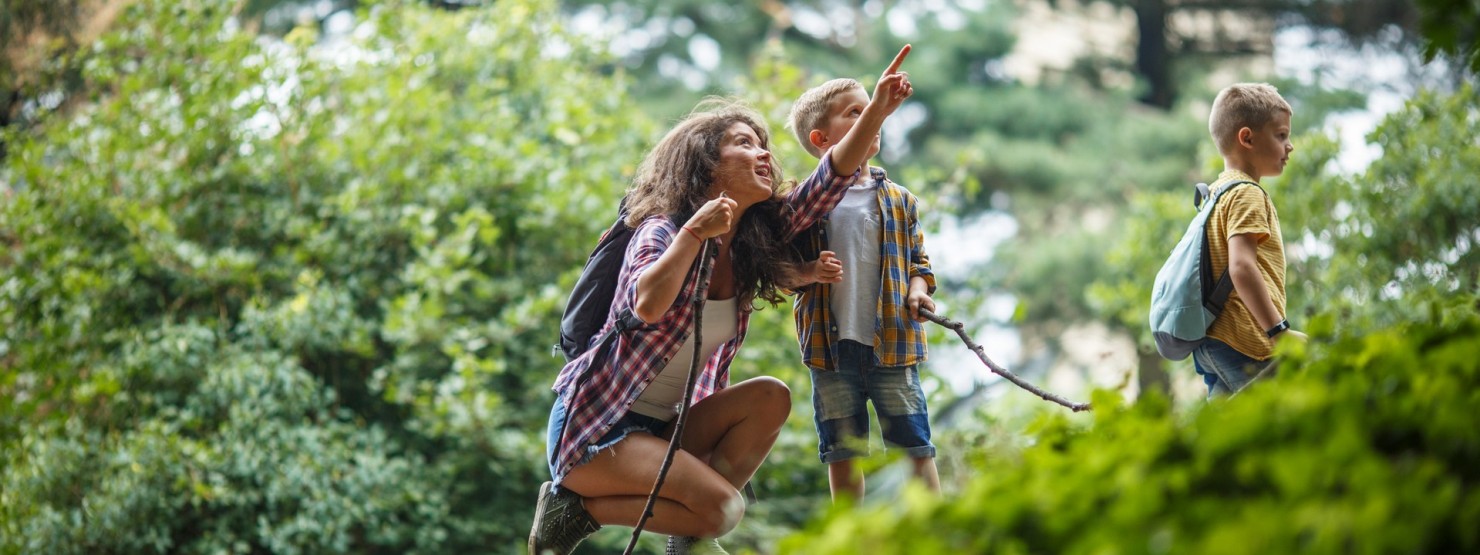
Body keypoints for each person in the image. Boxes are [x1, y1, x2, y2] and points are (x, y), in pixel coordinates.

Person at [528, 46, 915, 555]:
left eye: (764, 146)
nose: (764, 155)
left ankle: (688, 535)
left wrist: (876, 111)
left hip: (664, 430)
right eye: (744, 143)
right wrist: (692, 234)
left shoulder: (757, 240)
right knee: (724, 511)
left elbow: (831, 179)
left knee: (772, 395)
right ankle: (574, 508)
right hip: (598, 429)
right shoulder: (659, 232)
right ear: (707, 163)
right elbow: (647, 305)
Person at [784, 72, 939, 502]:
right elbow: (780, 272)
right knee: (842, 452)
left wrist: (918, 289)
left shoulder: (900, 199)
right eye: (856, 112)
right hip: (830, 351)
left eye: (872, 109)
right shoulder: (805, 202)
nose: (872, 117)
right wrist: (809, 272)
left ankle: (936, 533)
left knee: (914, 445)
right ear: (820, 138)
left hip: (893, 340)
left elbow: (919, 262)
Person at [1194, 82, 1308, 397]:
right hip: (1247, 342)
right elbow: (1241, 267)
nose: (1290, 146)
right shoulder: (1247, 194)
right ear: (1247, 138)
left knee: (1224, 439)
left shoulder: (1216, 193)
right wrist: (1278, 332)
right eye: (1281, 135)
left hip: (1214, 341)